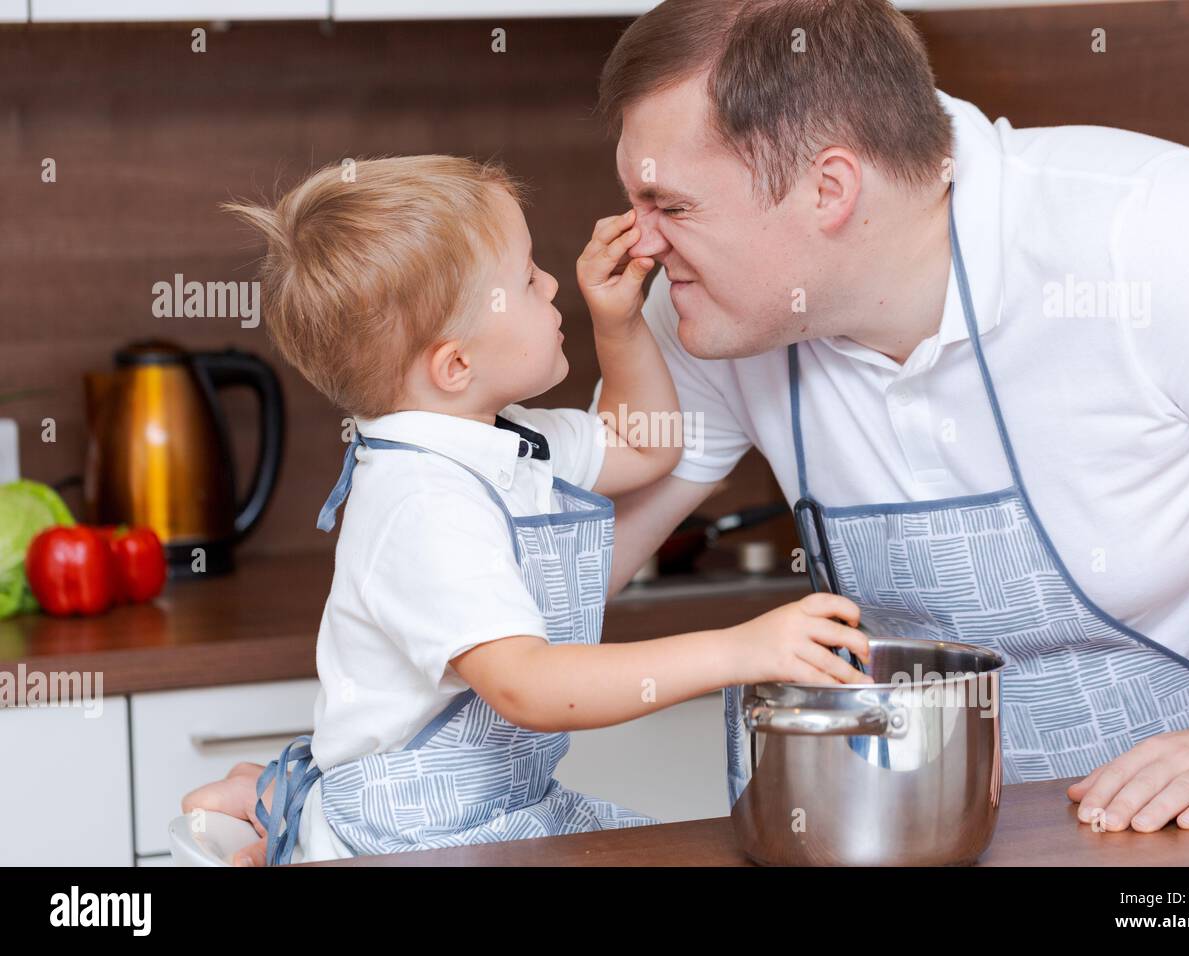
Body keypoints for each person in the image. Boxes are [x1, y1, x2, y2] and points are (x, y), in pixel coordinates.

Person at [590, 0, 1189, 831]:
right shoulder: (706, 317)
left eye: (670, 206)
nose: (638, 244)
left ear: (830, 187)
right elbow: (548, 591)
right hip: (931, 827)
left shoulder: (1156, 235)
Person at [182, 154, 868, 864]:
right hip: (414, 835)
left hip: (503, 804)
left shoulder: (506, 437)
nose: (549, 284)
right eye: (527, 278)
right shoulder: (423, 504)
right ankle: (300, 818)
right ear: (455, 367)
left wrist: (619, 322)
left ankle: (277, 796)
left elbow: (645, 443)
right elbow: (526, 686)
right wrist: (736, 650)